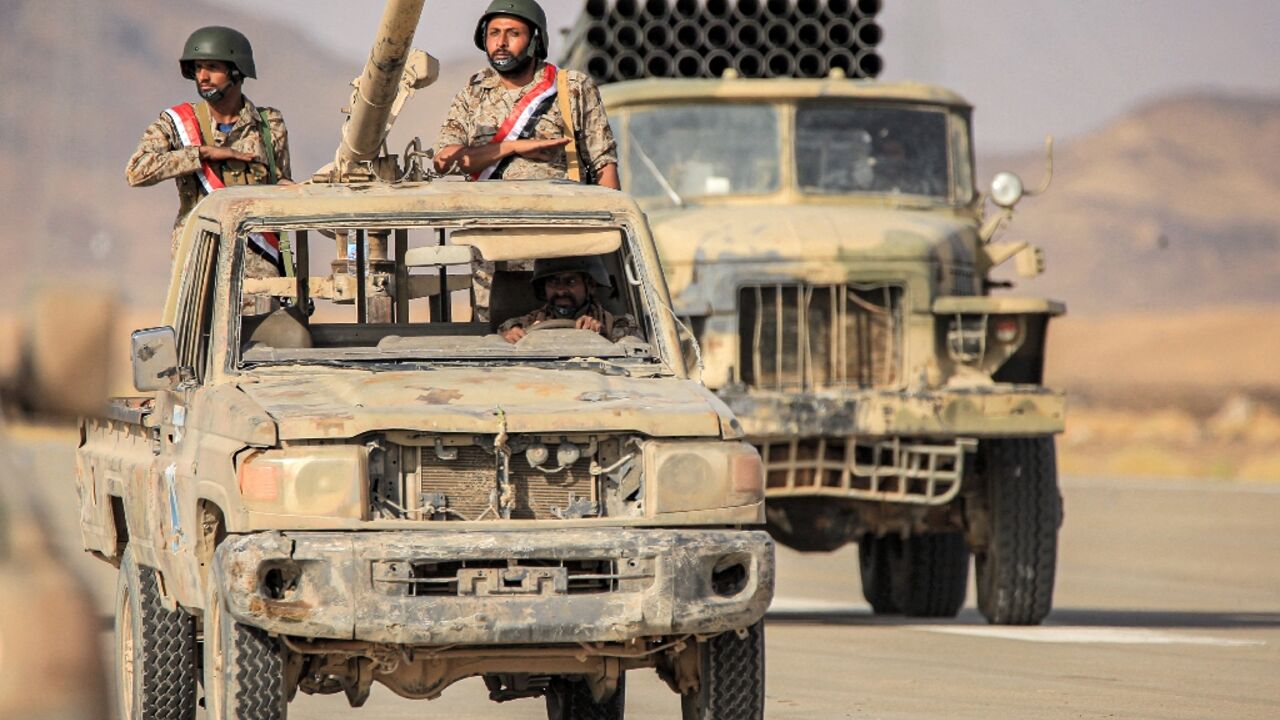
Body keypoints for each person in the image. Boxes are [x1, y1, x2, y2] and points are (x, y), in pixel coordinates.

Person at [126, 25, 292, 275]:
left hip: (257, 267)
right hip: (199, 265)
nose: (202, 76)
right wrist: (201, 154)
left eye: (212, 67)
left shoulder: (268, 125)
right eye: (198, 68)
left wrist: (292, 191)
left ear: (236, 71)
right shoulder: (177, 124)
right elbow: (136, 172)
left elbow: (280, 184)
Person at [433, 0, 619, 189]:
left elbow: (603, 164)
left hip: (557, 206)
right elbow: (443, 162)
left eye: (513, 33)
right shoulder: (472, 94)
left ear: (535, 40)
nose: (501, 42)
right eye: (494, 33)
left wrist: (614, 208)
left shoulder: (571, 87)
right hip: (489, 207)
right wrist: (510, 147)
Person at [499, 257, 642, 344]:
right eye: (553, 282)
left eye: (571, 282)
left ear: (590, 286)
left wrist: (602, 334)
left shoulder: (619, 327)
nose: (561, 291)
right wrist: (508, 339)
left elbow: (637, 360)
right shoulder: (521, 325)